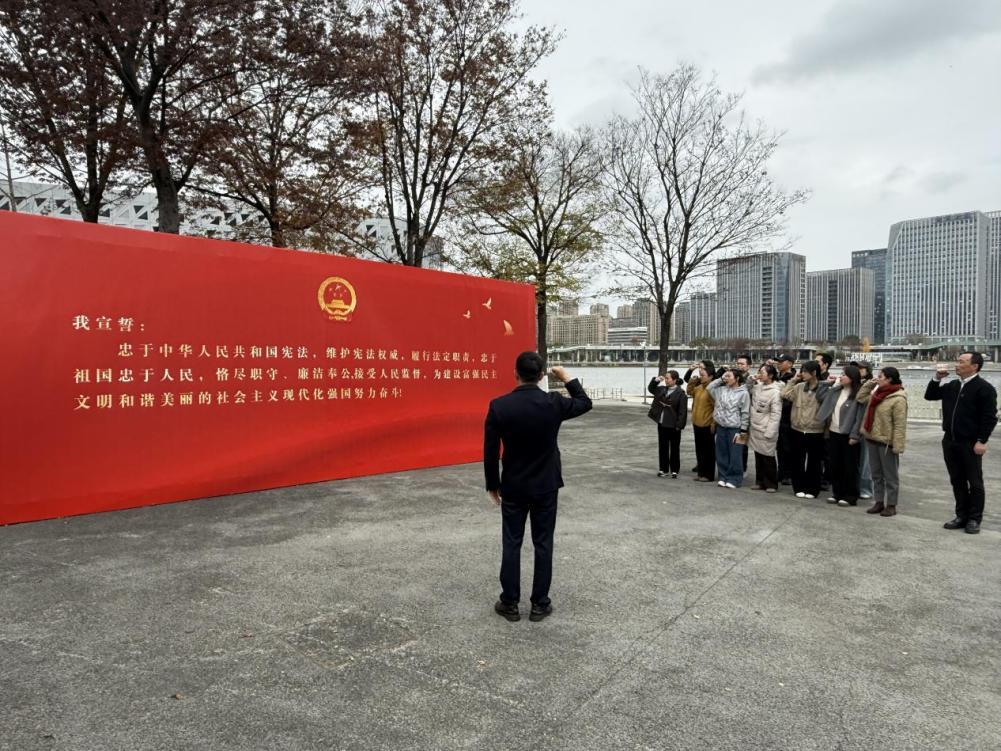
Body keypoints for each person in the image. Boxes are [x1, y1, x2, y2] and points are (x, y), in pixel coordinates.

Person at [484, 352, 592, 622]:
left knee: (512, 542)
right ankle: (540, 604)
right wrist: (566, 377)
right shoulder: (552, 403)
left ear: (515, 373)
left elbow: (490, 451)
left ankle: (509, 602)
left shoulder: (499, 406)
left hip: (514, 484)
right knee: (543, 543)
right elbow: (584, 403)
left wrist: (492, 484)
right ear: (542, 375)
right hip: (546, 484)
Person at [924, 352, 998, 534]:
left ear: (975, 366)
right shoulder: (953, 386)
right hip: (950, 440)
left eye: (962, 362)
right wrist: (937, 378)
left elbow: (989, 418)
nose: (957, 364)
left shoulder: (984, 388)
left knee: (975, 482)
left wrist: (982, 440)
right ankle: (961, 516)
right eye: (957, 361)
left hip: (970, 442)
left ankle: (974, 519)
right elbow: (930, 395)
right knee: (957, 480)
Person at [856, 367, 908, 517]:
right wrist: (869, 384)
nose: (878, 378)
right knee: (876, 474)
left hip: (887, 442)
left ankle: (891, 504)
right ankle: (879, 502)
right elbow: (860, 397)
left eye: (881, 376)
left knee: (890, 476)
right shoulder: (876, 394)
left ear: (889, 379)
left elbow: (900, 425)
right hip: (872, 438)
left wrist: (898, 446)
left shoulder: (898, 398)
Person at [815, 365, 865, 506]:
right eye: (841, 374)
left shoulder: (859, 394)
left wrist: (855, 435)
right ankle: (837, 493)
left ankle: (850, 495)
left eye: (844, 375)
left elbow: (860, 417)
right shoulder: (836, 390)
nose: (841, 376)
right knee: (835, 464)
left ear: (852, 378)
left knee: (850, 466)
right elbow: (820, 396)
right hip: (833, 432)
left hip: (848, 434)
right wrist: (827, 383)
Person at [782, 360, 825, 499]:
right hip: (798, 428)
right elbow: (784, 394)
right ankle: (798, 487)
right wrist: (793, 380)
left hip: (816, 430)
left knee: (814, 462)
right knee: (797, 460)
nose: (802, 374)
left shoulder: (823, 388)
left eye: (805, 371)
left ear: (814, 373)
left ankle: (813, 489)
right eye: (802, 371)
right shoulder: (799, 387)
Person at [707, 368, 750, 489]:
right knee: (721, 453)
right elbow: (709, 388)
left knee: (735, 454)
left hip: (735, 428)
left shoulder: (744, 393)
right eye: (725, 376)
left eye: (729, 376)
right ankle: (723, 476)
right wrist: (720, 379)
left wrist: (744, 429)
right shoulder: (721, 390)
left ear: (737, 378)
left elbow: (745, 412)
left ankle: (735, 478)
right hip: (721, 426)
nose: (726, 378)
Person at [748, 364, 782, 492]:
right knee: (758, 456)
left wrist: (771, 431)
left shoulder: (775, 391)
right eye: (759, 371)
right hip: (755, 425)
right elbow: (747, 389)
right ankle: (760, 481)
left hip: (766, 427)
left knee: (768, 456)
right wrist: (751, 379)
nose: (760, 374)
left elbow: (776, 414)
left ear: (771, 375)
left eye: (762, 372)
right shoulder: (758, 387)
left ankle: (771, 484)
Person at [648, 369, 687, 478]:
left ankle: (674, 470)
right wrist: (656, 380)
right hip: (662, 423)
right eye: (665, 378)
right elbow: (651, 389)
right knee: (663, 447)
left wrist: (679, 425)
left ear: (674, 380)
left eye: (668, 378)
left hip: (674, 425)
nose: (666, 380)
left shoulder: (681, 393)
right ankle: (663, 469)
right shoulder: (662, 389)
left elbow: (682, 411)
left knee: (674, 448)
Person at [685, 360, 716, 482]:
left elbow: (716, 407)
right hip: (696, 423)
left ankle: (708, 475)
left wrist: (714, 423)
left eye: (703, 375)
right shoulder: (698, 388)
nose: (701, 377)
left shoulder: (712, 389)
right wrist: (693, 380)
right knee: (699, 449)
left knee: (708, 451)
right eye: (700, 375)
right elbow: (689, 391)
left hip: (707, 424)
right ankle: (701, 472)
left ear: (710, 376)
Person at [851, 361, 875, 500]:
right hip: (851, 424)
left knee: (866, 460)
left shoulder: (872, 385)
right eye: (856, 368)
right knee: (853, 458)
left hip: (866, 425)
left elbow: (862, 400)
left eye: (861, 368)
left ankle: (865, 488)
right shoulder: (851, 384)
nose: (858, 370)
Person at [774, 354, 797, 485]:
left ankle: (788, 473)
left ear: (790, 363)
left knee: (788, 447)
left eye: (782, 362)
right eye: (778, 361)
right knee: (780, 447)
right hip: (777, 416)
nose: (779, 364)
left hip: (788, 417)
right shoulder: (777, 376)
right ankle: (781, 471)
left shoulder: (794, 378)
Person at [735, 354, 755, 471]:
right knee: (732, 444)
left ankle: (742, 469)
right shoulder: (733, 377)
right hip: (732, 416)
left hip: (745, 416)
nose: (739, 366)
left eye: (742, 364)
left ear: (748, 366)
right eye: (738, 363)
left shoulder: (752, 379)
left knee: (742, 444)